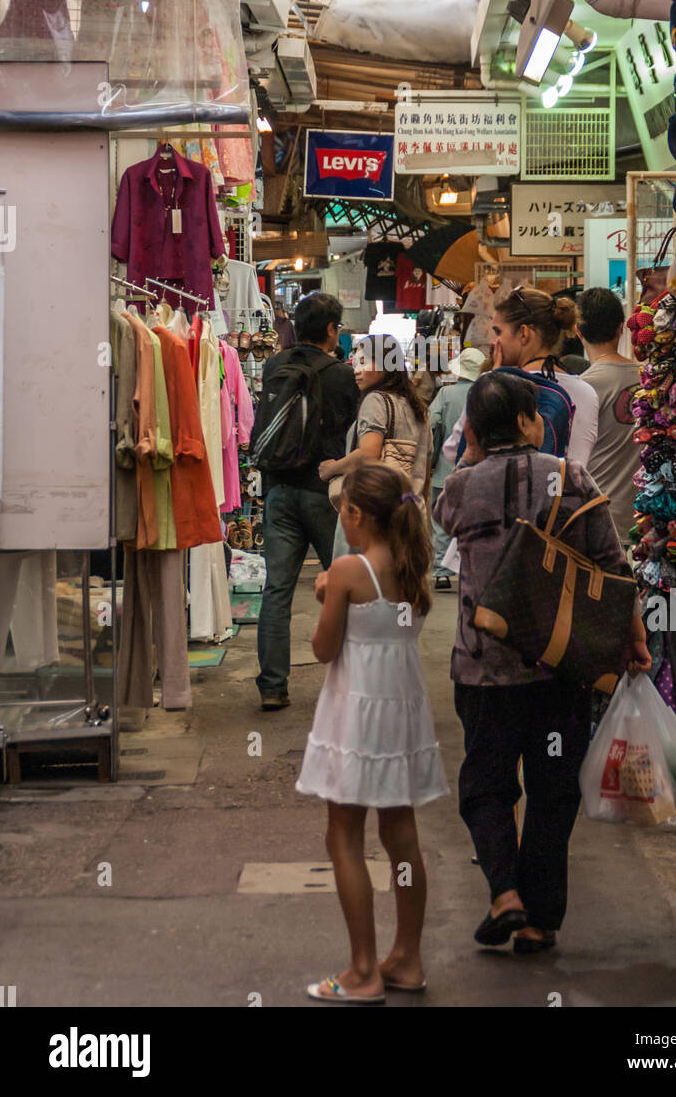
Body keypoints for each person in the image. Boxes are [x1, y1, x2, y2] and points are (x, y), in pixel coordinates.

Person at [434, 371, 650, 953]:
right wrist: (633, 638)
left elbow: (444, 522)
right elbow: (612, 563)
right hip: (561, 664)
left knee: (486, 785)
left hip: (484, 669)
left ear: (474, 428)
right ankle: (539, 919)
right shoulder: (570, 477)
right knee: (555, 789)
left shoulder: (461, 487)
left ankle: (504, 893)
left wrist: (474, 453)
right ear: (533, 420)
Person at [297, 463, 449, 1003]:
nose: (342, 519)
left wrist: (326, 596)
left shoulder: (347, 570)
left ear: (358, 514)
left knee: (343, 835)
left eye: (344, 511)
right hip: (401, 710)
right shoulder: (411, 567)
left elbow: (323, 649)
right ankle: (406, 957)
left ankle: (362, 970)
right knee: (401, 836)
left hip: (357, 714)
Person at [254, 292, 358, 711]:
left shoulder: (274, 366)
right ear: (332, 329)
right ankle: (349, 681)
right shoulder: (341, 375)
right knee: (345, 585)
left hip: (278, 490)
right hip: (325, 494)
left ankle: (272, 687)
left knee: (277, 589)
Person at [318, 334, 431, 557]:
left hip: (372, 517)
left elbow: (369, 453)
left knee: (363, 588)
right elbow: (425, 472)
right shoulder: (418, 408)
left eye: (364, 362)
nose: (356, 370)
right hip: (410, 517)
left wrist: (330, 469)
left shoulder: (376, 400)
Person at [490, 287, 599, 466]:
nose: (493, 342)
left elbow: (455, 450)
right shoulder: (586, 392)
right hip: (565, 490)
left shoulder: (496, 390)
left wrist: (493, 380)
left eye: (498, 332)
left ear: (524, 333)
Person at [578, 287, 641, 545]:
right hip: (653, 522)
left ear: (578, 333)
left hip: (600, 523)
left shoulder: (582, 388)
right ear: (621, 328)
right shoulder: (652, 378)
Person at [428, 347, 484, 590]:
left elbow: (430, 423)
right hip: (478, 471)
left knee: (442, 521)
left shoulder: (445, 393)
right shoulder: (486, 393)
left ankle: (441, 572)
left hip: (444, 469)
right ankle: (469, 569)